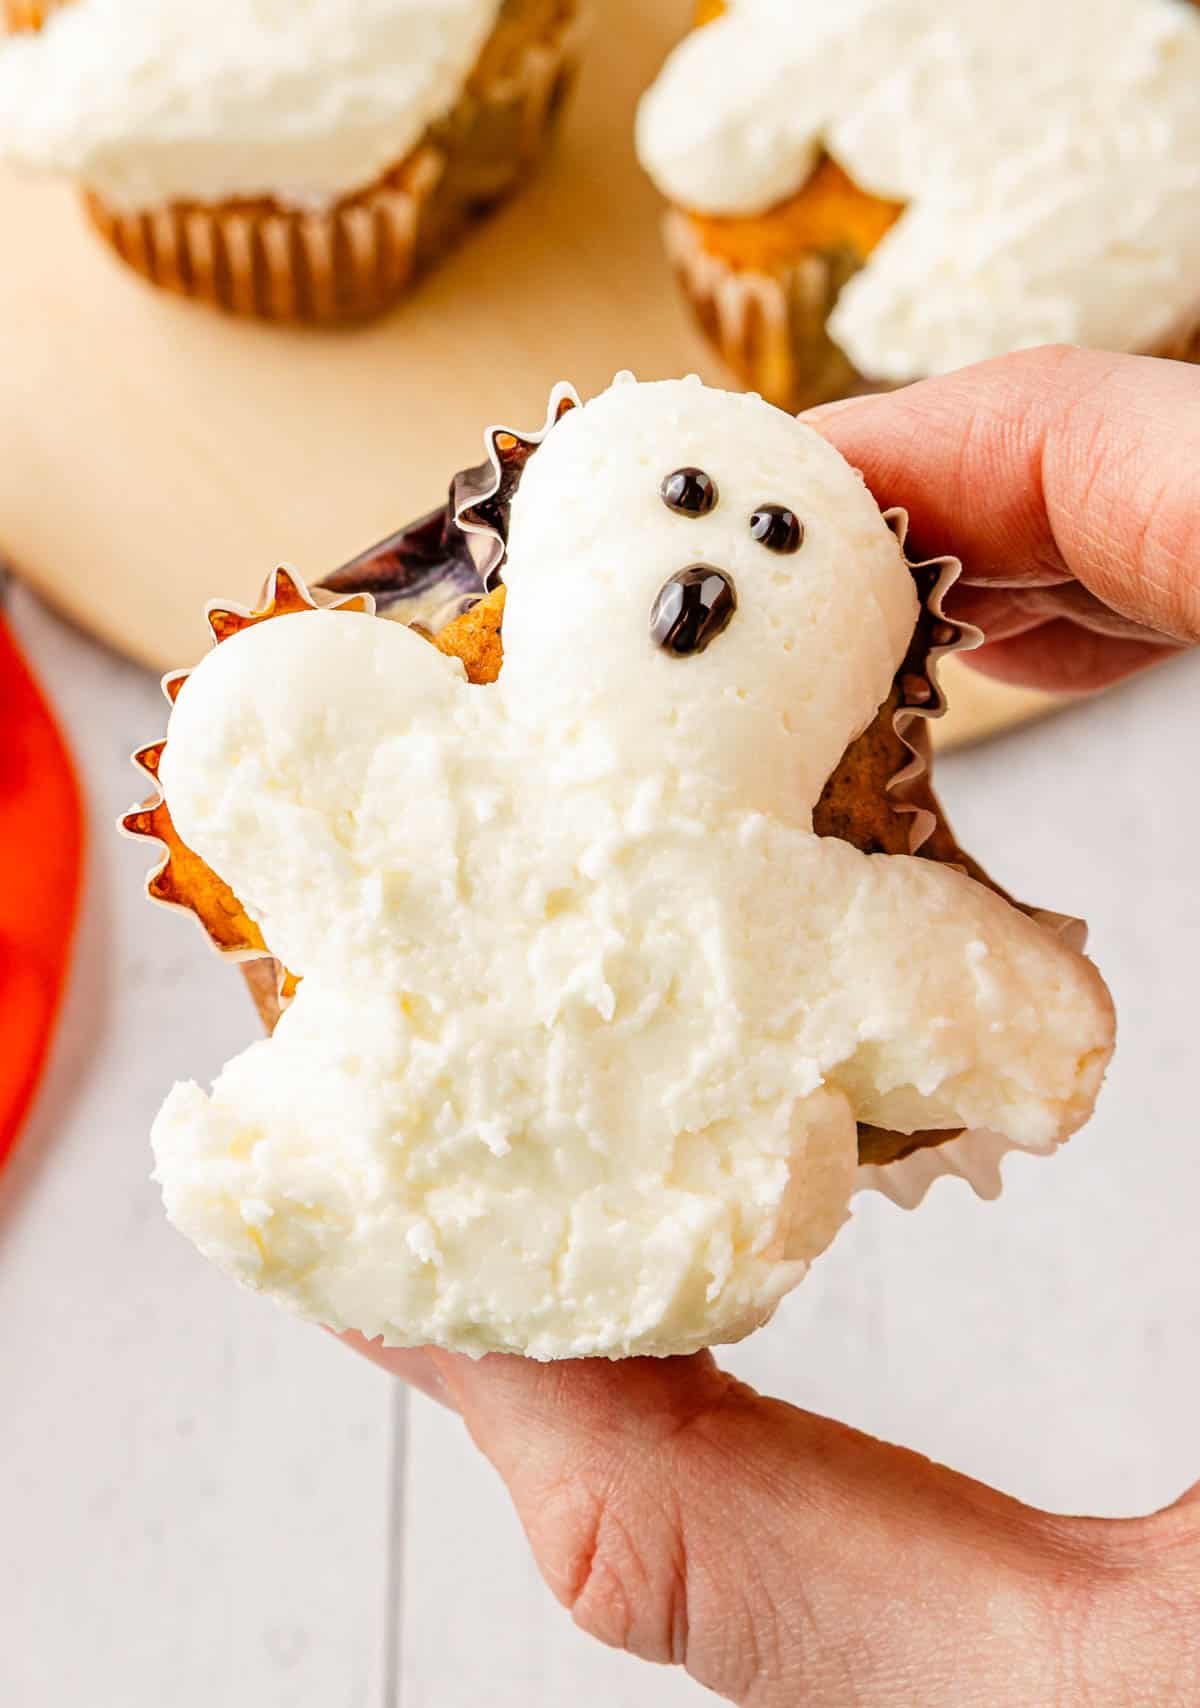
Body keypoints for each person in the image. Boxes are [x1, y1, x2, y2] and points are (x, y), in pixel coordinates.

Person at [349, 346, 1200, 1706]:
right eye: (686, 503)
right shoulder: (445, 746)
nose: (702, 580)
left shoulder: (803, 891)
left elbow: (953, 991)